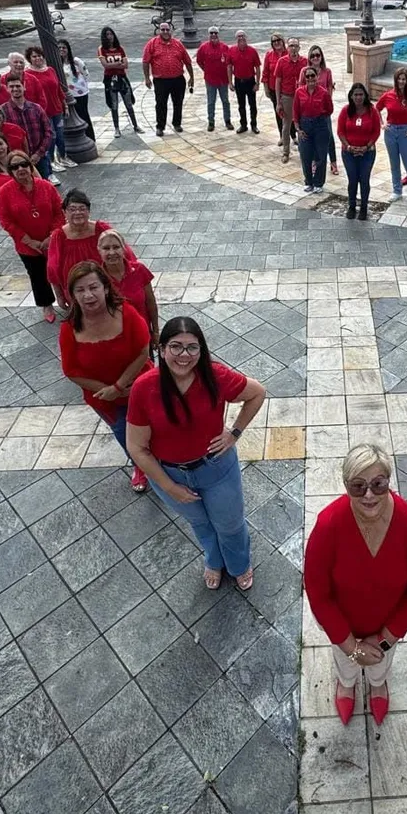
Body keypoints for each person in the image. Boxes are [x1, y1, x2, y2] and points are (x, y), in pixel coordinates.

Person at [125, 317, 267, 590]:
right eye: (176, 347)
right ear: (162, 348)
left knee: (230, 524)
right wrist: (169, 486)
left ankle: (238, 564)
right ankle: (214, 560)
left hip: (216, 468)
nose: (184, 355)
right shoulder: (145, 387)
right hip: (168, 473)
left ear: (201, 351)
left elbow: (257, 393)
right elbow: (137, 447)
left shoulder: (214, 376)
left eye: (192, 348)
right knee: (200, 522)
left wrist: (234, 433)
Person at [305, 444, 407, 724]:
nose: (369, 495)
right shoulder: (328, 524)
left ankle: (378, 683)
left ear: (389, 482)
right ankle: (346, 683)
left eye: (378, 484)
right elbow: (318, 593)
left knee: (381, 661)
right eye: (358, 486)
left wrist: (385, 637)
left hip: (387, 624)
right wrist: (352, 647)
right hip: (342, 622)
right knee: (344, 662)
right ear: (345, 486)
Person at [59, 261, 153, 491]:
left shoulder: (126, 313)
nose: (88, 295)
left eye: (93, 287)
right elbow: (71, 371)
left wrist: (119, 386)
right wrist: (108, 391)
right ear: (72, 295)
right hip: (104, 398)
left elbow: (143, 351)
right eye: (79, 290)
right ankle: (141, 467)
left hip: (140, 387)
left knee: (154, 428)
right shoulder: (69, 328)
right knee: (124, 432)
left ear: (106, 288)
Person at [0, 151, 62, 322]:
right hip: (27, 246)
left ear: (30, 166)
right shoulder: (4, 193)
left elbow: (59, 212)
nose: (21, 169)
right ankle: (46, 305)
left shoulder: (46, 186)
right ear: (10, 171)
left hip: (52, 241)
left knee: (59, 270)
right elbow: (6, 221)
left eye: (24, 164)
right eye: (15, 167)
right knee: (37, 275)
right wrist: (29, 241)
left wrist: (51, 236)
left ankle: (67, 299)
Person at [45, 189, 110, 312]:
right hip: (75, 291)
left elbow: (122, 253)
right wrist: (59, 295)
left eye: (82, 208)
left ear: (88, 211)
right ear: (64, 212)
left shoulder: (101, 229)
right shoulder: (59, 236)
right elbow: (52, 269)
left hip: (104, 288)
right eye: (72, 209)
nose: (78, 212)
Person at [378, 68, 407, 208]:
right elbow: (376, 108)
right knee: (394, 164)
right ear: (395, 79)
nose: (401, 81)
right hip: (391, 132)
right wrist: (383, 123)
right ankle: (397, 190)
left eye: (404, 79)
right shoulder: (388, 95)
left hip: (406, 132)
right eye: (399, 78)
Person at [97, 229, 159, 330]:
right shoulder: (97, 277)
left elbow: (151, 302)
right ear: (99, 250)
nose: (112, 252)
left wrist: (156, 330)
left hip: (142, 331)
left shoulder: (139, 270)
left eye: (116, 247)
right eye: (106, 248)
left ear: (124, 249)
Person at [141, 21, 194, 136]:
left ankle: (177, 123)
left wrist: (191, 77)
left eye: (167, 29)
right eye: (163, 29)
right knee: (160, 104)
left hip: (178, 79)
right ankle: (160, 126)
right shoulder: (152, 44)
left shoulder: (178, 44)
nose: (165, 32)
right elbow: (145, 62)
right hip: (161, 81)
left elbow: (187, 61)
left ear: (171, 31)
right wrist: (147, 78)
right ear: (159, 31)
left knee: (178, 102)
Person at [3, 73, 56, 186]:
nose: (15, 89)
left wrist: (39, 154)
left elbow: (48, 132)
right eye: (11, 86)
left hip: (39, 158)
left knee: (43, 186)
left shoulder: (36, 108)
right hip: (17, 162)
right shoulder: (3, 111)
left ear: (24, 86)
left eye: (18, 86)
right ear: (7, 89)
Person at [337, 83, 380, 220]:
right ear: (351, 96)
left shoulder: (372, 111)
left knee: (364, 179)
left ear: (365, 96)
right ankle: (351, 206)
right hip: (349, 152)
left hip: (367, 153)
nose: (358, 97)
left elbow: (376, 132)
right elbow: (340, 131)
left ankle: (364, 207)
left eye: (361, 94)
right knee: (353, 179)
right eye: (355, 94)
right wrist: (349, 146)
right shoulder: (345, 111)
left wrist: (366, 147)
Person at [24, 46, 70, 170]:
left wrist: (64, 104)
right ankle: (52, 161)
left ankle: (63, 157)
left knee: (60, 135)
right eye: (34, 56)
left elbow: (58, 88)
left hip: (57, 109)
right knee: (51, 136)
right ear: (30, 59)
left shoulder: (50, 70)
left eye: (39, 55)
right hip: (44, 112)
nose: (37, 58)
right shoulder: (28, 74)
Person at [294, 65, 334, 193]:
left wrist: (320, 118)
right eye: (308, 76)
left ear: (317, 77)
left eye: (313, 75)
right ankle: (308, 181)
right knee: (305, 155)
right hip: (305, 125)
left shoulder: (323, 93)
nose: (310, 78)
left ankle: (318, 182)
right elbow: (295, 112)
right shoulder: (299, 92)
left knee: (321, 156)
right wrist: (298, 128)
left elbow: (329, 109)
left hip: (320, 125)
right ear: (304, 78)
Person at [98, 27, 142, 135]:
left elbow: (126, 65)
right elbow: (105, 65)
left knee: (128, 103)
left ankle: (135, 125)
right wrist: (118, 64)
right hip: (110, 80)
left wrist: (114, 65)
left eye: (111, 34)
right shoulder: (102, 49)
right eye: (107, 35)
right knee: (114, 105)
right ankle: (116, 128)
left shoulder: (120, 48)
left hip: (122, 78)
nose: (109, 37)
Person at [274, 37, 307, 163]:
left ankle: (303, 152)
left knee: (302, 125)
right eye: (291, 46)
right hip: (287, 97)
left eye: (295, 46)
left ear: (299, 48)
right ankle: (286, 152)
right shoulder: (282, 62)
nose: (293, 48)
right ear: (287, 48)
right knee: (286, 125)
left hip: (301, 97)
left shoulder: (305, 61)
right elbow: (278, 82)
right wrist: (278, 102)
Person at [307, 44, 339, 176]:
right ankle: (315, 162)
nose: (315, 58)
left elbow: (329, 88)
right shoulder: (306, 71)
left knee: (329, 136)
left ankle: (333, 162)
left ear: (321, 57)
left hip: (324, 110)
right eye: (313, 55)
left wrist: (328, 104)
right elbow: (301, 88)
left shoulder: (327, 71)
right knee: (313, 137)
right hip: (311, 110)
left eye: (318, 55)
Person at [196, 26, 233, 132]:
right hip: (210, 80)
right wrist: (206, 70)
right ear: (209, 35)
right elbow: (199, 61)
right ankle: (211, 122)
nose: (213, 35)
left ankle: (227, 121)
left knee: (225, 101)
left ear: (218, 34)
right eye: (211, 33)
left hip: (223, 79)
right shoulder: (203, 47)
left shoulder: (225, 47)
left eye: (215, 33)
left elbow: (229, 62)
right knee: (211, 102)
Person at [57, 40, 93, 142]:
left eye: (64, 47)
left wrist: (81, 85)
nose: (61, 50)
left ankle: (90, 137)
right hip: (68, 95)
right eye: (59, 48)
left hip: (81, 94)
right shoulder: (58, 64)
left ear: (68, 49)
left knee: (83, 115)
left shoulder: (76, 61)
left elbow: (86, 74)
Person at [228, 30, 262, 134]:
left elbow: (257, 67)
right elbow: (229, 67)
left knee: (253, 105)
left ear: (246, 37)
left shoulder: (252, 51)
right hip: (239, 81)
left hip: (250, 81)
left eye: (243, 36)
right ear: (236, 38)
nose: (241, 38)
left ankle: (254, 125)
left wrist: (257, 83)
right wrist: (230, 82)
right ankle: (243, 125)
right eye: (239, 36)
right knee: (241, 105)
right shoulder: (232, 50)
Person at [261, 33, 285, 138]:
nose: (276, 43)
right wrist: (266, 89)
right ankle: (282, 136)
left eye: (278, 40)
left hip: (287, 89)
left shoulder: (289, 53)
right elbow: (265, 73)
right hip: (273, 89)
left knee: (290, 112)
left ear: (283, 41)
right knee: (278, 112)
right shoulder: (269, 55)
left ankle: (292, 134)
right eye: (274, 41)